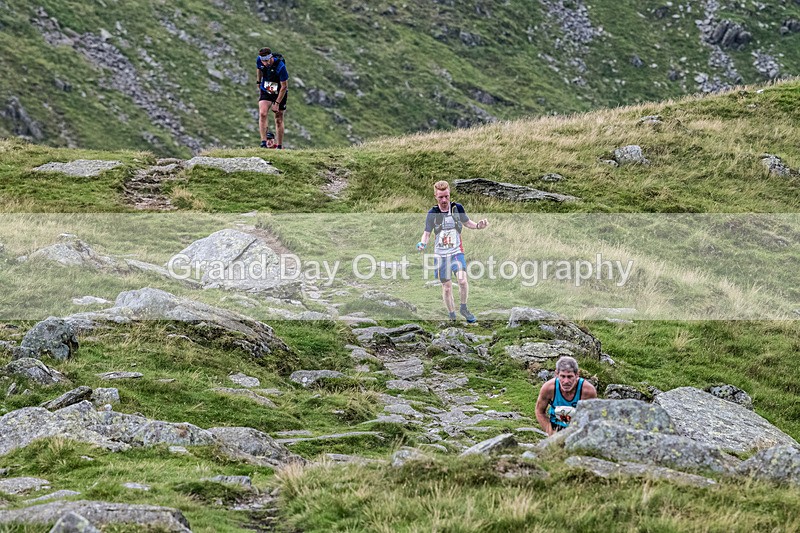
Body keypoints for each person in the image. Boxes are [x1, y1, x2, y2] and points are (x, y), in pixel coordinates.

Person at [417, 180, 488, 323]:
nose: (444, 200)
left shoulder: (457, 208)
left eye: (446, 196)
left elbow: (467, 223)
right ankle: (452, 316)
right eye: (441, 197)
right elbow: (427, 233)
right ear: (435, 197)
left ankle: (463, 308)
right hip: (441, 255)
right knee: (447, 288)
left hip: (456, 252)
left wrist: (478, 226)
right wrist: (423, 243)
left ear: (449, 194)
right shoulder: (433, 213)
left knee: (462, 280)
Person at [535, 356, 598, 435]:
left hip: (578, 429)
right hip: (556, 427)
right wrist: (550, 430)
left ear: (577, 375)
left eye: (570, 377)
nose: (566, 381)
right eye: (562, 376)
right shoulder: (549, 388)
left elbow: (592, 417)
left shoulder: (587, 391)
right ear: (556, 374)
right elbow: (539, 411)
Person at [256, 48, 288, 149]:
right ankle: (263, 143)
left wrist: (277, 103)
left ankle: (279, 145)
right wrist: (258, 81)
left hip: (279, 92)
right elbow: (259, 69)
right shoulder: (259, 60)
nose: (265, 63)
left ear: (270, 58)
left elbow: (284, 86)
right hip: (266, 89)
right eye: (263, 61)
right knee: (263, 113)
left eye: (266, 61)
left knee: (278, 118)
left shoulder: (280, 66)